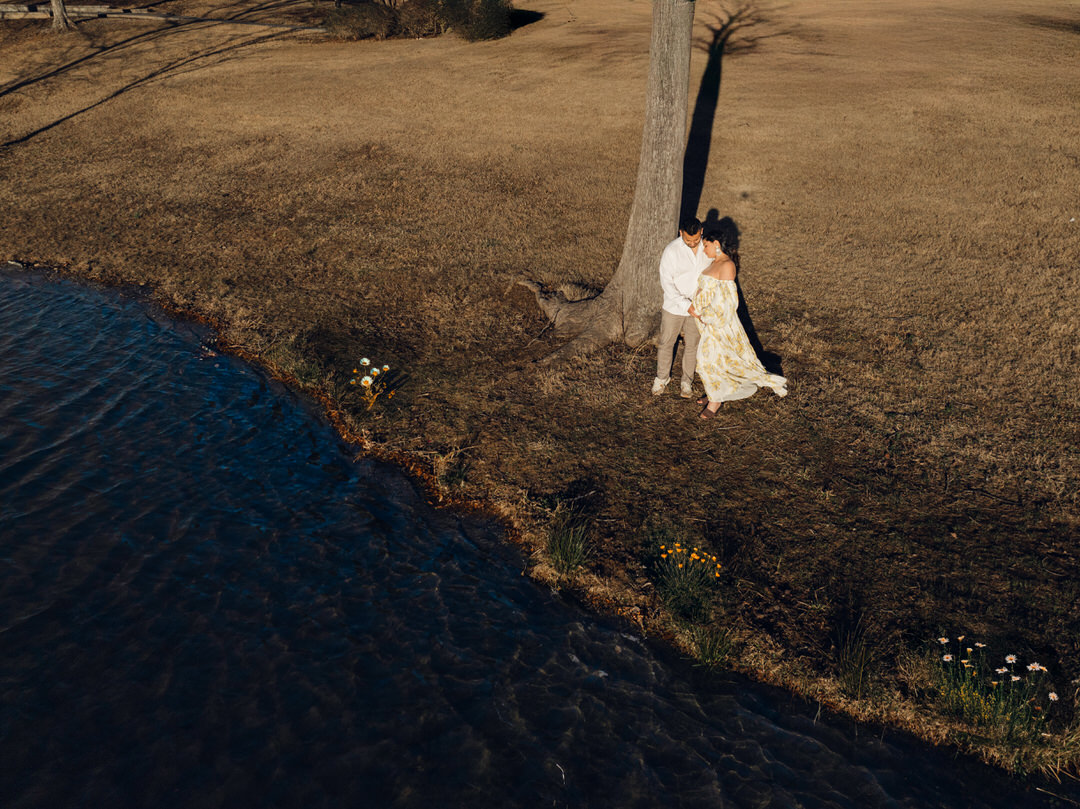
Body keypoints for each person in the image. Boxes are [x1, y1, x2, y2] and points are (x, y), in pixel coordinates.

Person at [689, 227, 787, 418]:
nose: (704, 250)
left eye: (706, 246)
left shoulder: (727, 265)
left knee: (706, 361)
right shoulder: (713, 263)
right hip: (706, 323)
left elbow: (728, 303)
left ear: (716, 245)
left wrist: (705, 316)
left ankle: (715, 403)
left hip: (719, 324)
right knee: (717, 361)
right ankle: (714, 393)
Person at [652, 215, 711, 398]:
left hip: (698, 305)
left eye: (695, 240)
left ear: (701, 232)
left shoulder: (707, 247)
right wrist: (686, 305)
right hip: (674, 306)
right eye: (688, 240)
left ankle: (687, 382)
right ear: (680, 233)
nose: (692, 244)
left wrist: (700, 303)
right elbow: (667, 283)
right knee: (666, 343)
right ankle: (661, 378)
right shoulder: (671, 251)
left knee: (692, 345)